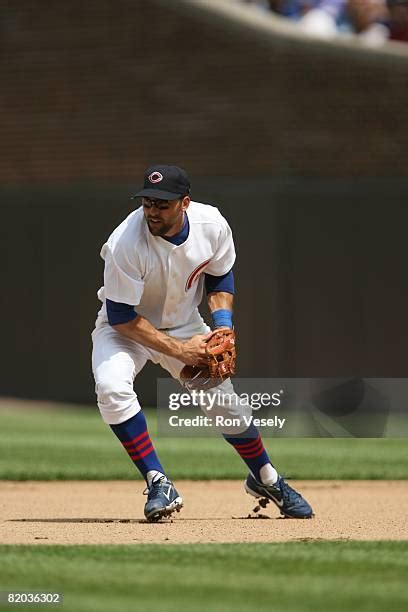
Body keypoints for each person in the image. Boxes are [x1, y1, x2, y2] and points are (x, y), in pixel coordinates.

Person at [91, 164, 313, 522]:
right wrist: (181, 351)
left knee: (227, 406)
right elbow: (121, 317)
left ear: (185, 203)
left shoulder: (212, 226)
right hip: (127, 330)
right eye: (147, 202)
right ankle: (158, 480)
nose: (152, 211)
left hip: (183, 325)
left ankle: (267, 479)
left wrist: (222, 326)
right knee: (111, 387)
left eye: (162, 204)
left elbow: (220, 274)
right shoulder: (125, 243)